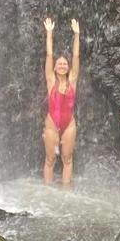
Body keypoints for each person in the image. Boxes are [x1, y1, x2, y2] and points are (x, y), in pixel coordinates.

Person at [43, 16, 81, 188]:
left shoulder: (73, 80)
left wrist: (77, 35)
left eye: (65, 64)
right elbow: (49, 54)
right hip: (52, 123)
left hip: (69, 124)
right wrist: (49, 33)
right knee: (50, 158)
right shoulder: (51, 80)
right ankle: (48, 192)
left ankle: (66, 190)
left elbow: (76, 56)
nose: (62, 65)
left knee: (67, 158)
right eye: (59, 64)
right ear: (54, 67)